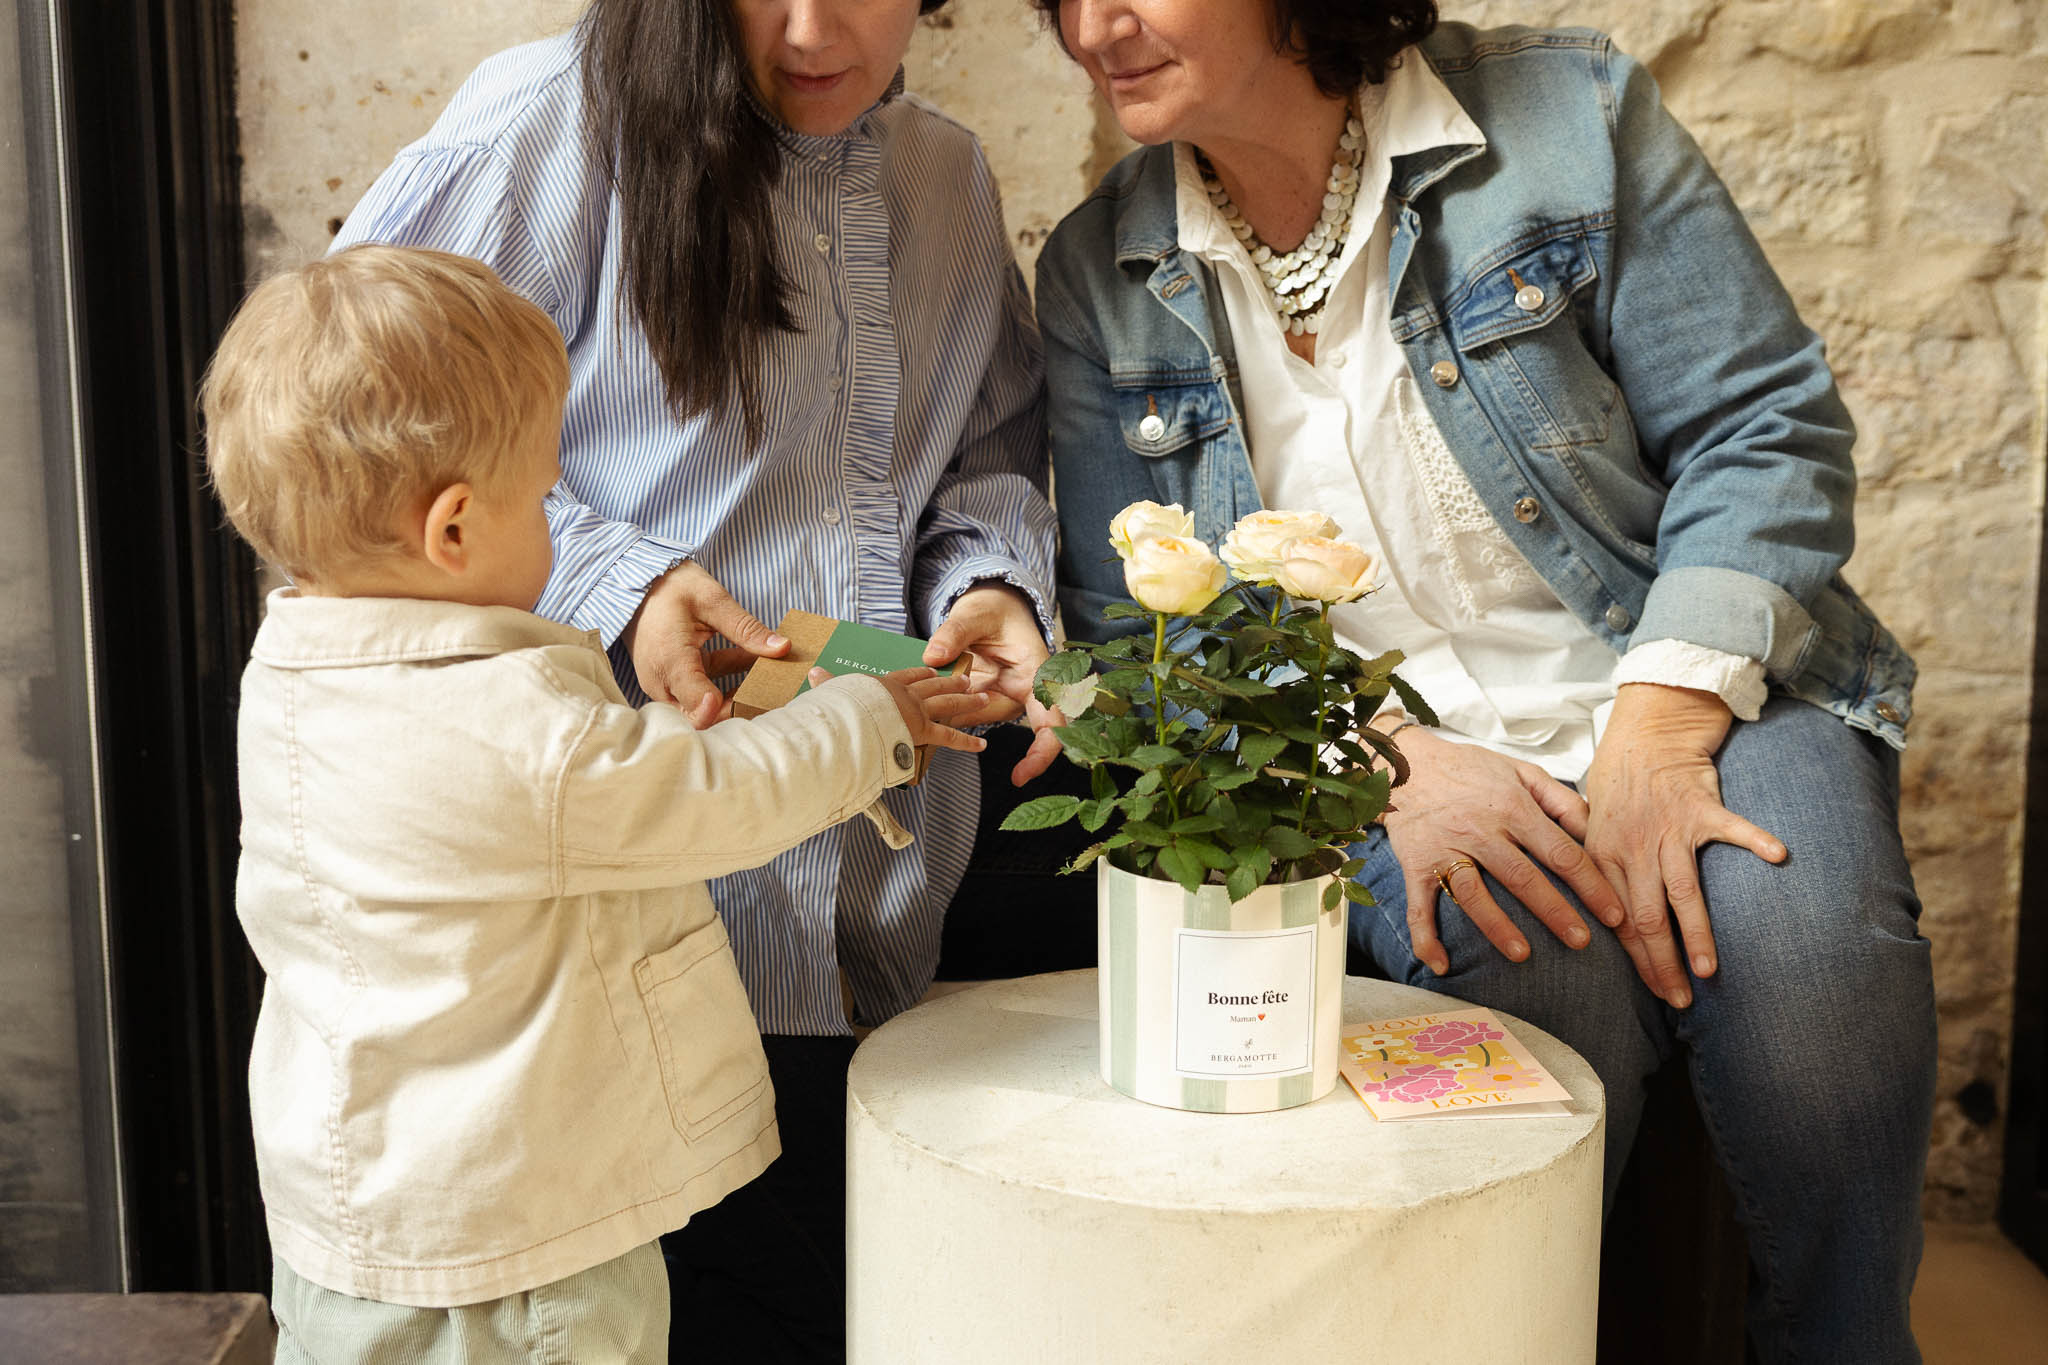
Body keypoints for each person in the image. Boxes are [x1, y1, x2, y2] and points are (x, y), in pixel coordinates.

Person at [1030, 3, 1935, 1361]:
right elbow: (1132, 624)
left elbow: (1763, 431)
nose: (1095, 25)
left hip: (1689, 672)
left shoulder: (1564, 117)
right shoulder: (1101, 267)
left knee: (1818, 1001)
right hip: (1392, 751)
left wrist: (1659, 733)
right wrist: (1378, 765)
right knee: (1535, 999)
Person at [329, 2, 1060, 1357]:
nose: (809, 27)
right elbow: (342, 443)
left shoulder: (945, 174)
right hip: (629, 921)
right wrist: (629, 589)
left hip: (891, 891)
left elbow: (989, 449)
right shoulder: (545, 124)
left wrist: (989, 589)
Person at [202, 244, 988, 1363]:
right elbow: (714, 800)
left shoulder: (297, 673)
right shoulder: (512, 733)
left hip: (363, 1216)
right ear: (456, 529)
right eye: (541, 498)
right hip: (522, 1255)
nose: (553, 524)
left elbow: (555, 795)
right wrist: (869, 716)